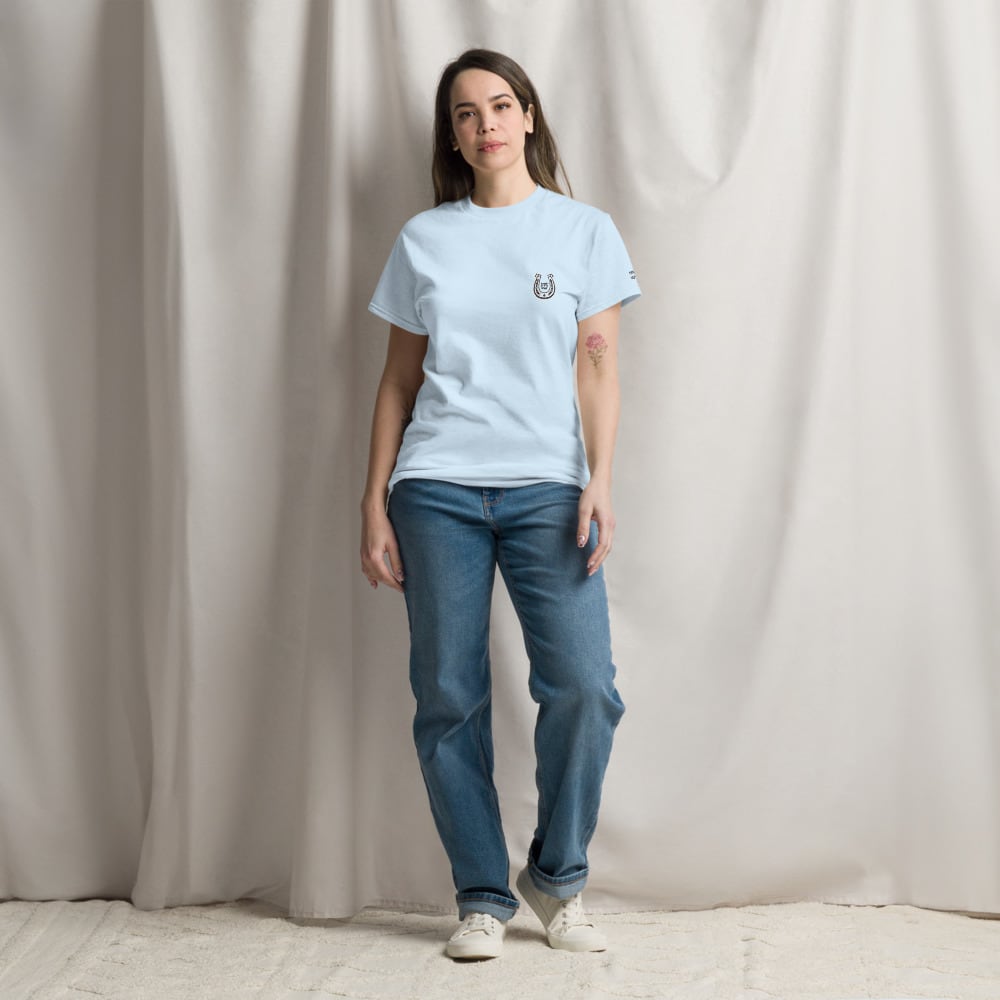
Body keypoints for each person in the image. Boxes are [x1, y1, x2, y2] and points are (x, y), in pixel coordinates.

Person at [360, 48, 641, 961]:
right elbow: (398, 383)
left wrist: (600, 476)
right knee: (447, 695)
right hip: (435, 489)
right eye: (466, 113)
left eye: (501, 105)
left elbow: (598, 368)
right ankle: (481, 893)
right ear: (453, 136)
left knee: (585, 689)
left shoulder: (583, 232)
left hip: (549, 489)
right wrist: (374, 501)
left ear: (528, 117)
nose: (486, 124)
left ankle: (556, 877)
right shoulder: (425, 239)